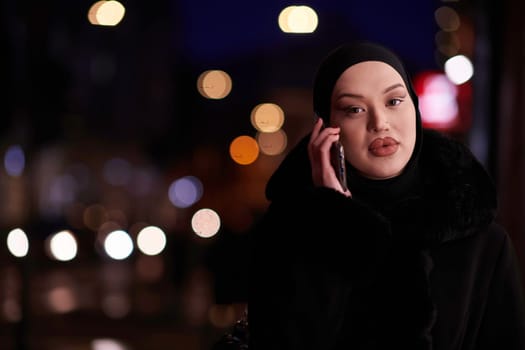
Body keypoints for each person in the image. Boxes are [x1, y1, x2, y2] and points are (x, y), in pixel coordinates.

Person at [247, 41, 525, 350]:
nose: (379, 123)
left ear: (414, 107)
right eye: (354, 109)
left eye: (394, 101)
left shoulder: (482, 242)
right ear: (326, 129)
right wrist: (333, 219)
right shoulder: (287, 236)